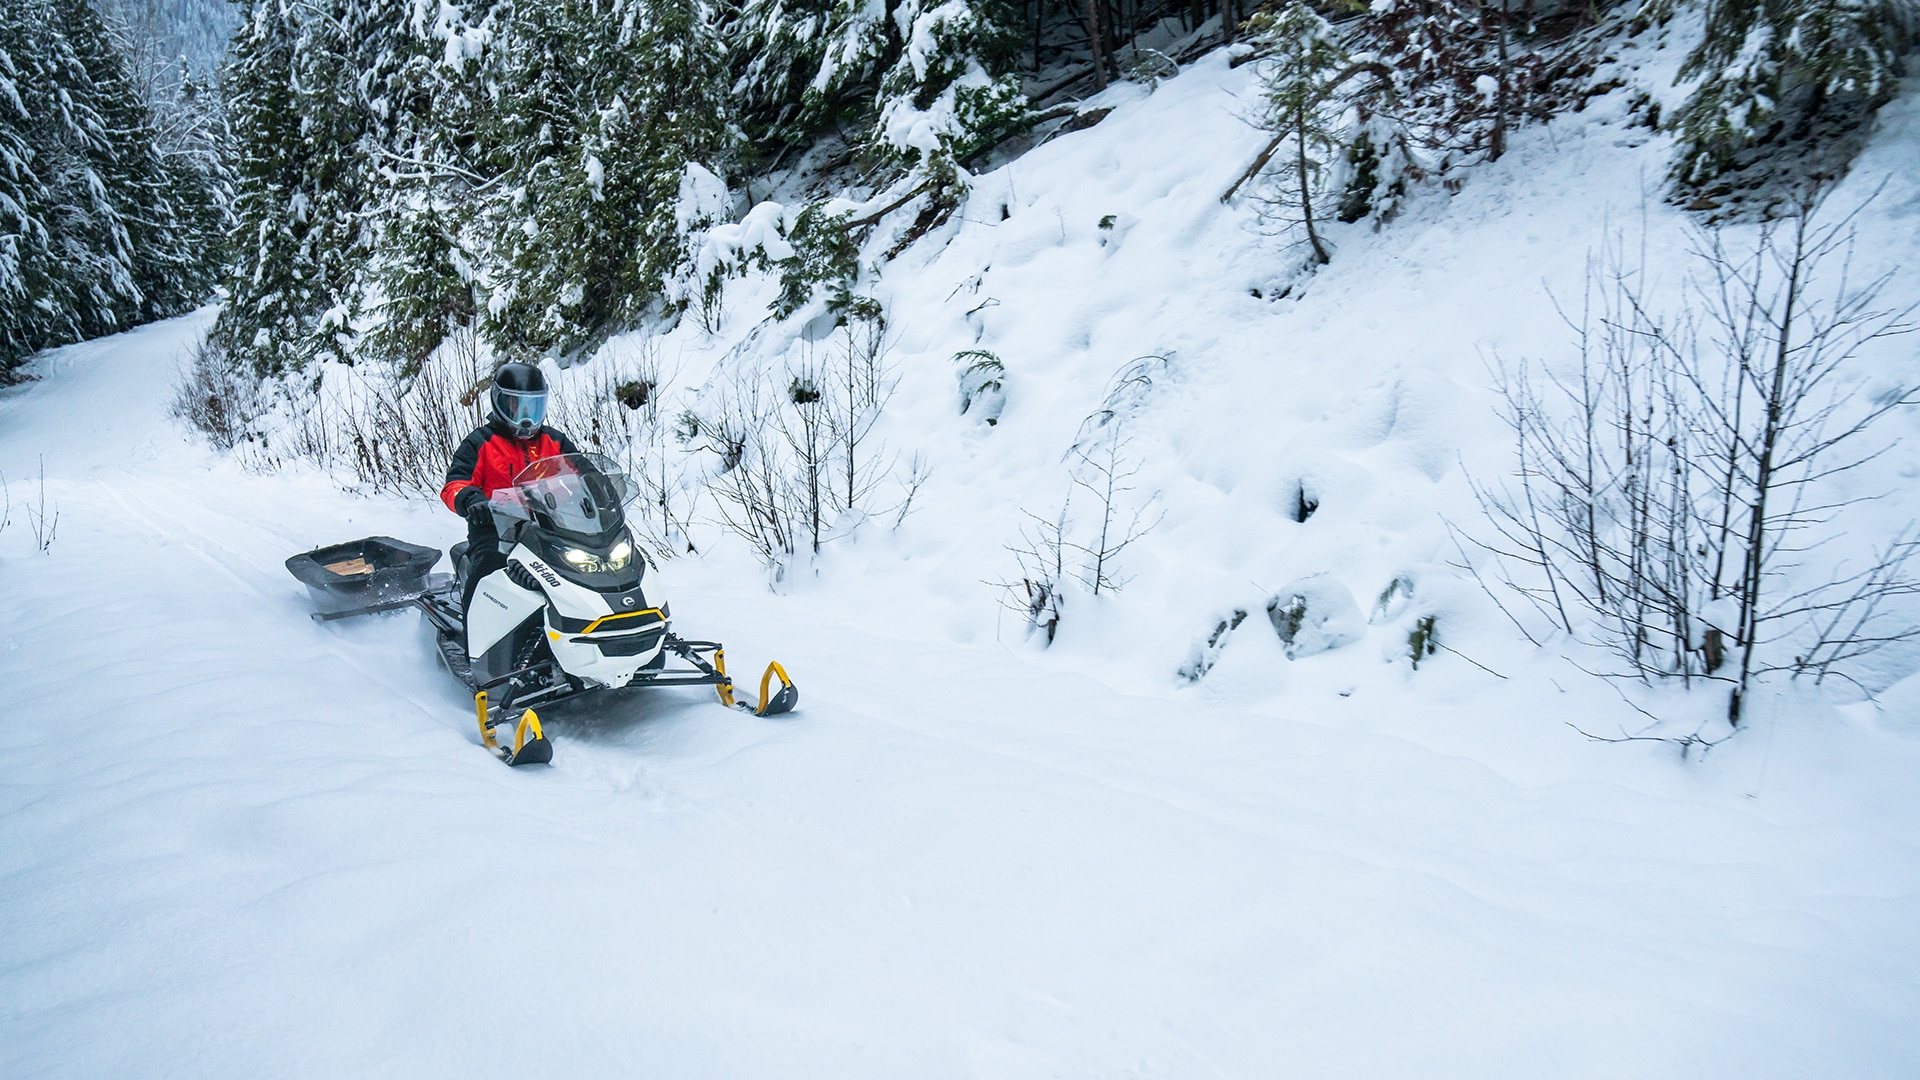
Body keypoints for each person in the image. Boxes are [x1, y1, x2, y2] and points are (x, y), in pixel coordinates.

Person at [441, 362, 578, 613]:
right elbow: (454, 484)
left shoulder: (554, 441)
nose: (526, 417)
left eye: (533, 407)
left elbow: (581, 474)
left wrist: (601, 492)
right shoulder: (481, 442)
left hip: (553, 528)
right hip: (496, 531)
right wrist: (472, 500)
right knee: (488, 571)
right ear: (500, 403)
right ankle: (475, 637)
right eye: (516, 406)